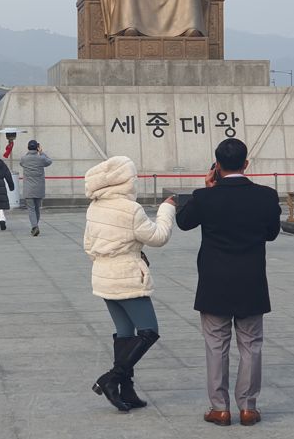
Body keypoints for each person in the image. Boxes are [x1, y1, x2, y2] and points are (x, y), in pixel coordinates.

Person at [176, 138, 281, 427]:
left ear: (217, 165)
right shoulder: (267, 196)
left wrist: (209, 188)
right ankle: (248, 407)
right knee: (251, 345)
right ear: (246, 164)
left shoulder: (205, 196)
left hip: (214, 281)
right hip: (251, 281)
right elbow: (271, 233)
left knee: (215, 345)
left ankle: (219, 408)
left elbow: (183, 222)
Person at [84, 156, 176, 411]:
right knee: (149, 331)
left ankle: (127, 389)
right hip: (127, 275)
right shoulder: (130, 209)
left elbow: (88, 246)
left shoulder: (95, 206)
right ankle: (111, 379)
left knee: (125, 334)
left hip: (103, 275)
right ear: (126, 181)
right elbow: (158, 237)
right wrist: (166, 210)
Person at [20, 139, 52, 236]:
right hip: (39, 188)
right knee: (37, 208)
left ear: (28, 147)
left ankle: (34, 226)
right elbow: (49, 161)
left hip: (28, 188)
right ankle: (35, 225)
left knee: (31, 208)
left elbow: (22, 163)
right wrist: (41, 152)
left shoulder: (24, 159)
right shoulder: (41, 158)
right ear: (37, 148)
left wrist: (30, 152)